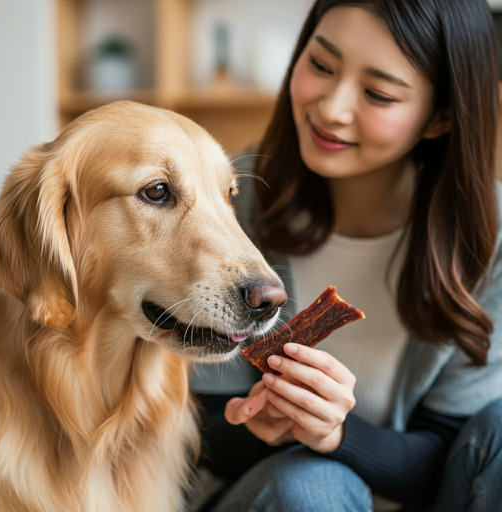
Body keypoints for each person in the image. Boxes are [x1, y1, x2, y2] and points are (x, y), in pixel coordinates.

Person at [190, 0, 502, 510]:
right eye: (320, 65)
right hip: (271, 493)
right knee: (312, 484)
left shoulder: (492, 235)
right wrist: (264, 426)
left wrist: (339, 434)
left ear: (440, 117)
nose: (332, 108)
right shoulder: (232, 195)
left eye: (377, 93)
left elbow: (452, 459)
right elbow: (197, 431)